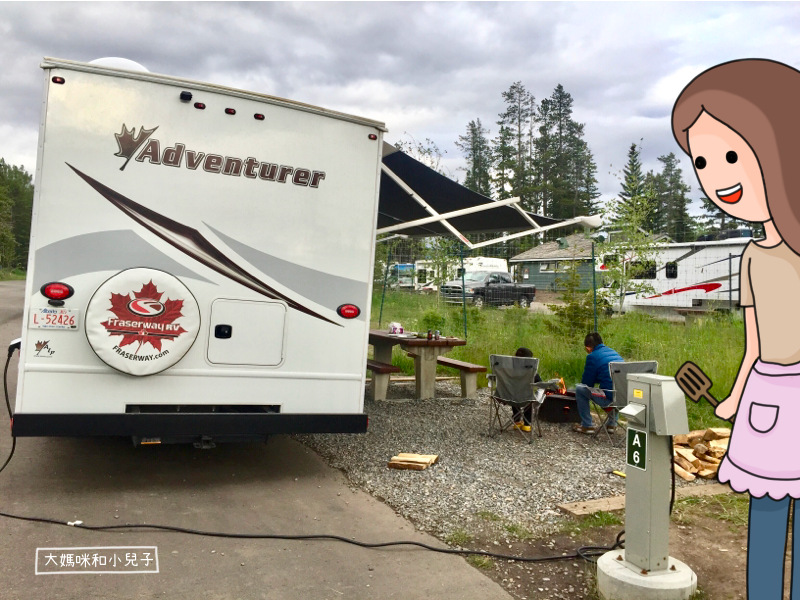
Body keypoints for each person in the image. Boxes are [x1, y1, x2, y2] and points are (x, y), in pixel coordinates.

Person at [672, 58, 800, 600]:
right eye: (702, 160)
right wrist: (733, 398)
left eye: (729, 154)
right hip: (768, 395)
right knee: (767, 518)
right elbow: (754, 342)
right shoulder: (751, 256)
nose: (715, 175)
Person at [573, 332, 623, 434]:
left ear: (588, 348)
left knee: (580, 389)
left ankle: (587, 425)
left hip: (608, 399)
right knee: (614, 388)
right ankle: (612, 425)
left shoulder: (592, 356)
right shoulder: (614, 353)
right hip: (623, 398)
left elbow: (587, 384)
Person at [512, 347, 542, 433]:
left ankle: (517, 421)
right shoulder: (532, 371)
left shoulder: (508, 369)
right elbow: (540, 383)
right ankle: (527, 424)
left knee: (513, 393)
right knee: (529, 398)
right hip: (525, 399)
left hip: (508, 397)